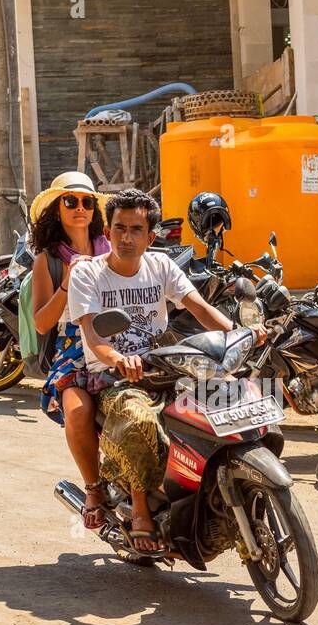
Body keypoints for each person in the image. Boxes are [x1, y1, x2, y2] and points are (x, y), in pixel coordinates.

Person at [67, 188, 247, 555]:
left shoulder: (161, 266)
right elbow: (92, 333)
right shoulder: (87, 274)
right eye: (119, 228)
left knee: (224, 405)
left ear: (150, 237)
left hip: (166, 366)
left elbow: (198, 308)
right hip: (112, 375)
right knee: (139, 420)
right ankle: (139, 509)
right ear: (108, 232)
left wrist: (237, 334)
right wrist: (118, 358)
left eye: (136, 229)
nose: (127, 238)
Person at [28, 171, 110, 528]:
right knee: (77, 411)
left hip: (118, 340)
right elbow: (41, 323)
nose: (79, 208)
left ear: (95, 210)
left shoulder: (114, 248)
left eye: (86, 202)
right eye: (70, 201)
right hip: (73, 348)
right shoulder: (48, 260)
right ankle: (93, 488)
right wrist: (67, 284)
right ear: (56, 209)